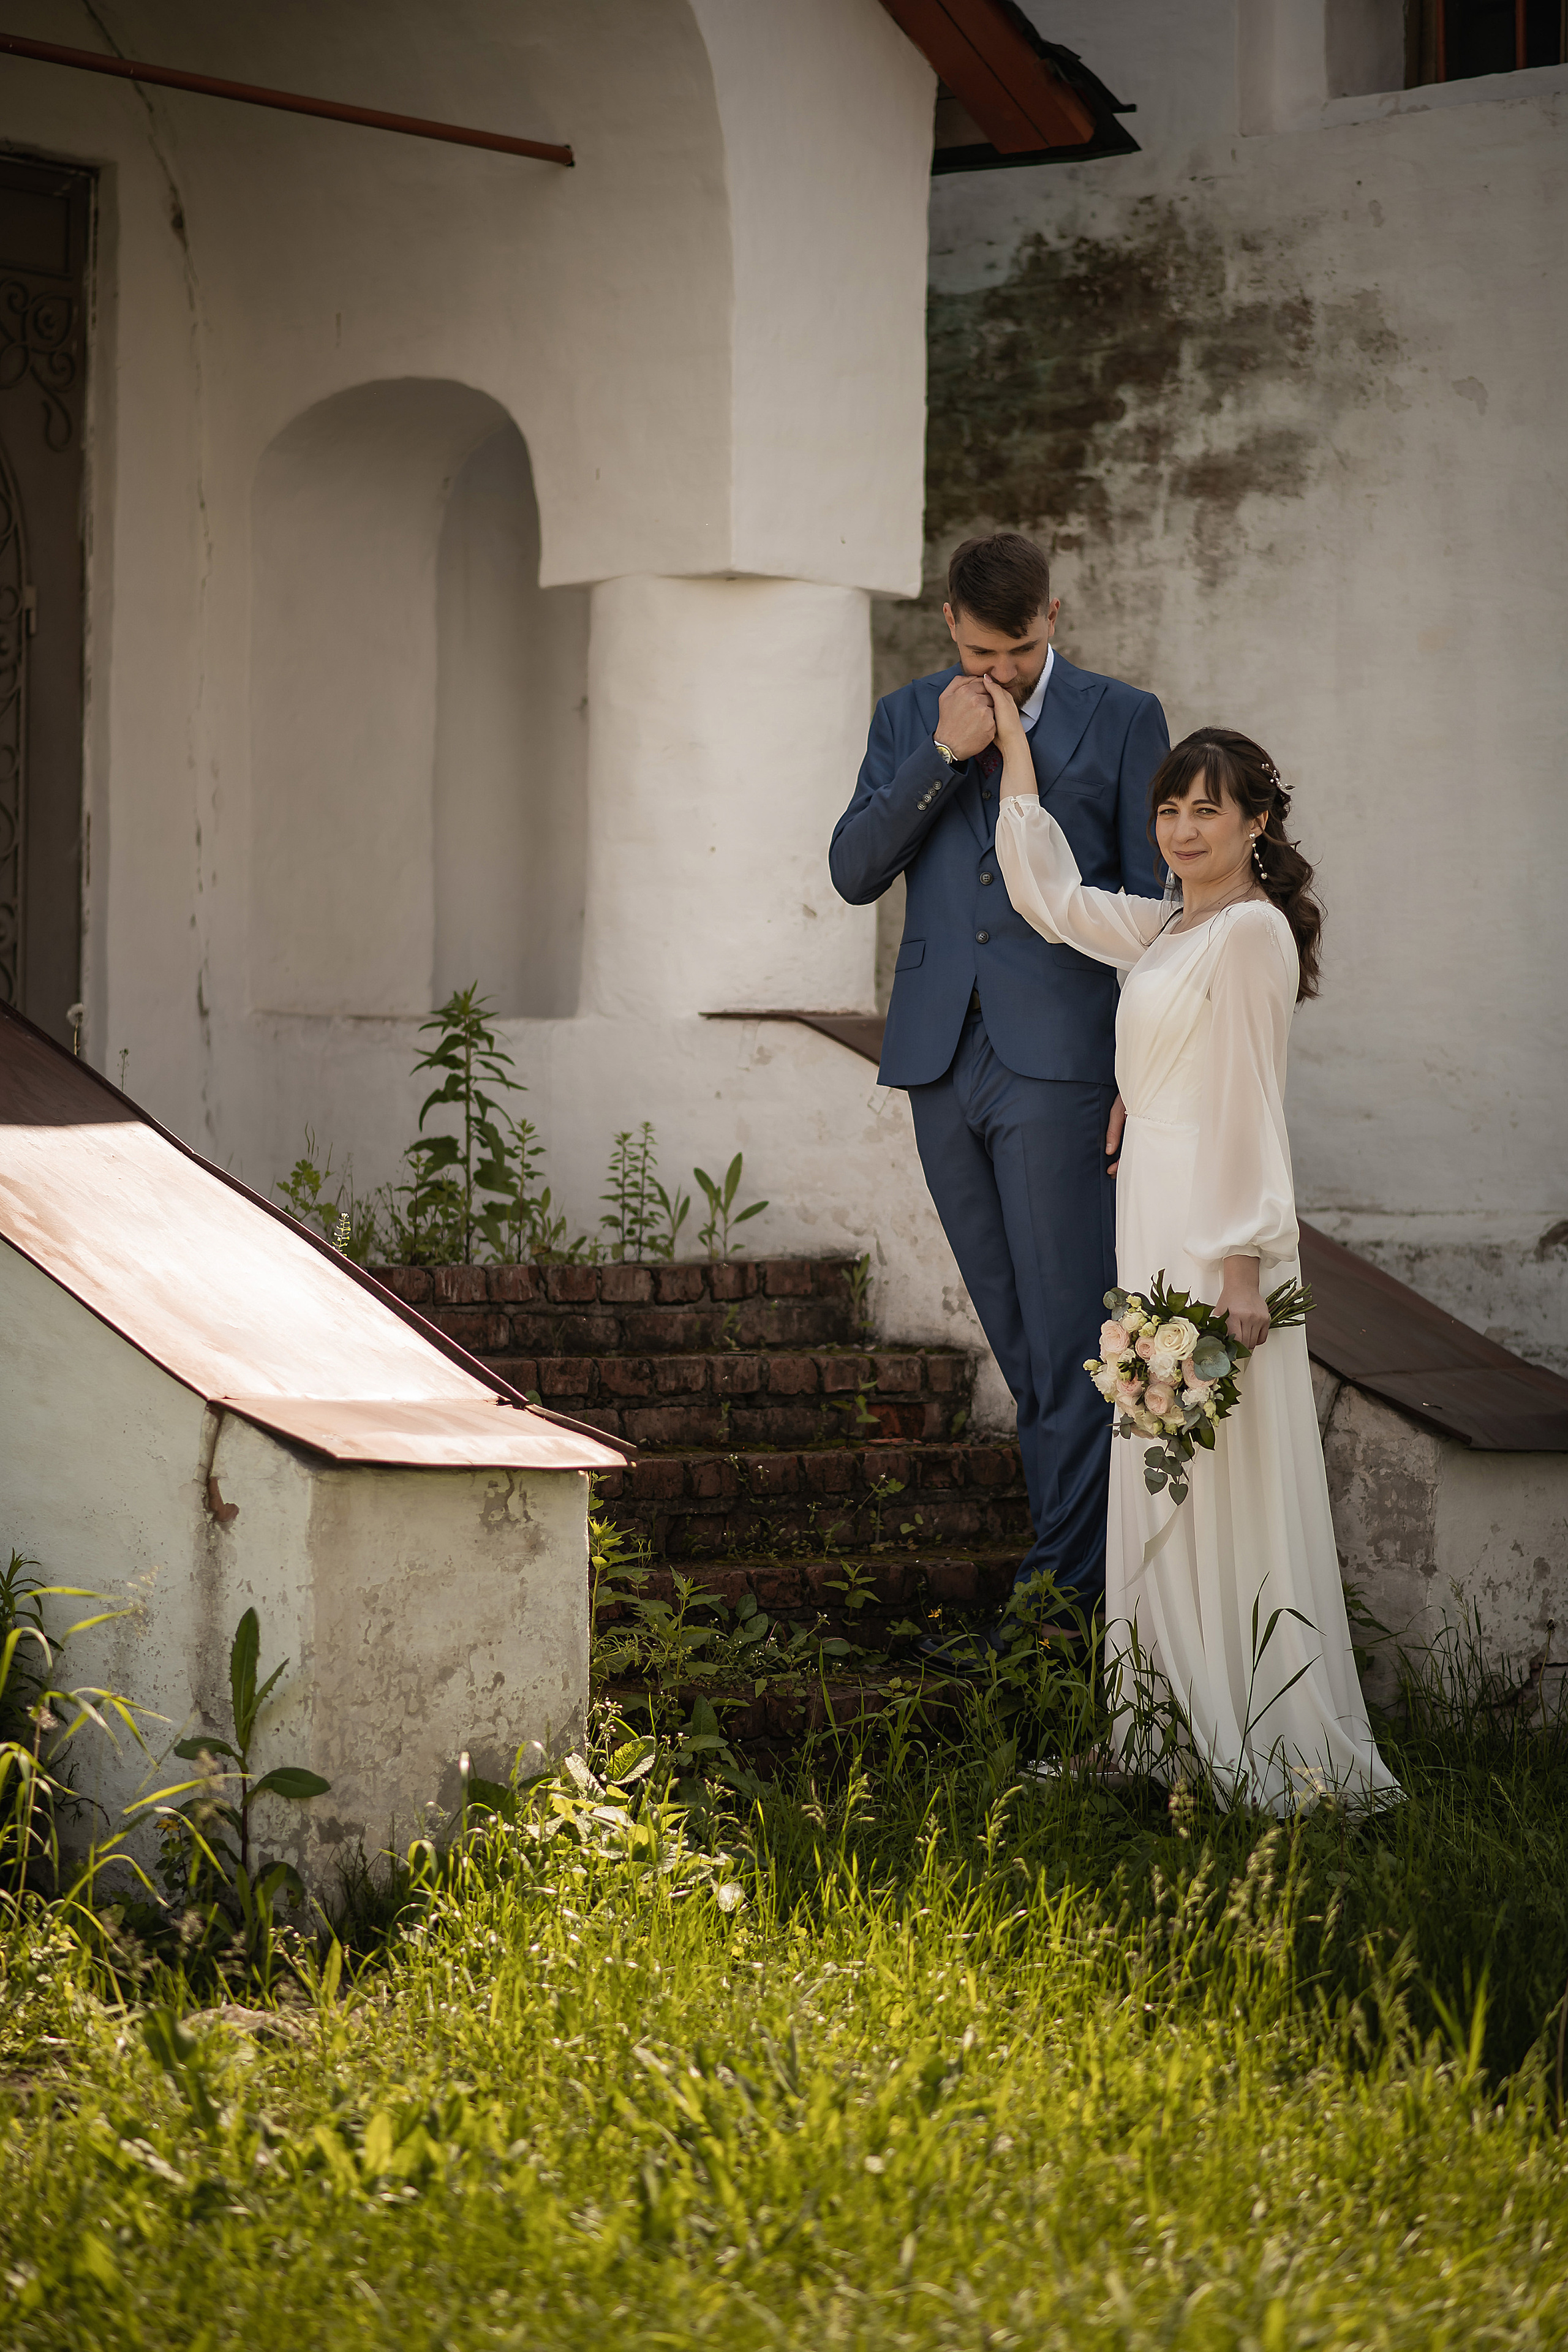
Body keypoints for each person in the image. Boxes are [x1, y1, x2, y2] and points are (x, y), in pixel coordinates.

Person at [990, 690, 1398, 1812]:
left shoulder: (1254, 933)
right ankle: (1156, 1735)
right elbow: (1056, 900)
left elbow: (1250, 1103)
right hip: (1152, 1211)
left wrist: (1241, 1264)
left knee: (1211, 1475)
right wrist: (1018, 752)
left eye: (1207, 811)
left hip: (1212, 1234)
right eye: (1169, 809)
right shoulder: (1168, 928)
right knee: (1151, 1467)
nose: (1181, 830)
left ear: (1257, 823)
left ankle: (1247, 1736)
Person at [829, 533, 1168, 1637]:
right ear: (947, 624)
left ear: (1054, 618)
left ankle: (1055, 1612)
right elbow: (852, 871)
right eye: (982, 650)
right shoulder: (906, 714)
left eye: (1021, 650)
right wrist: (941, 753)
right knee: (1023, 1342)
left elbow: (1156, 912)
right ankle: (1078, 1596)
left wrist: (1138, 1068)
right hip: (940, 1057)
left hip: (1065, 1060)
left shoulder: (1124, 716)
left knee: (1075, 1334)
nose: (1005, 672)